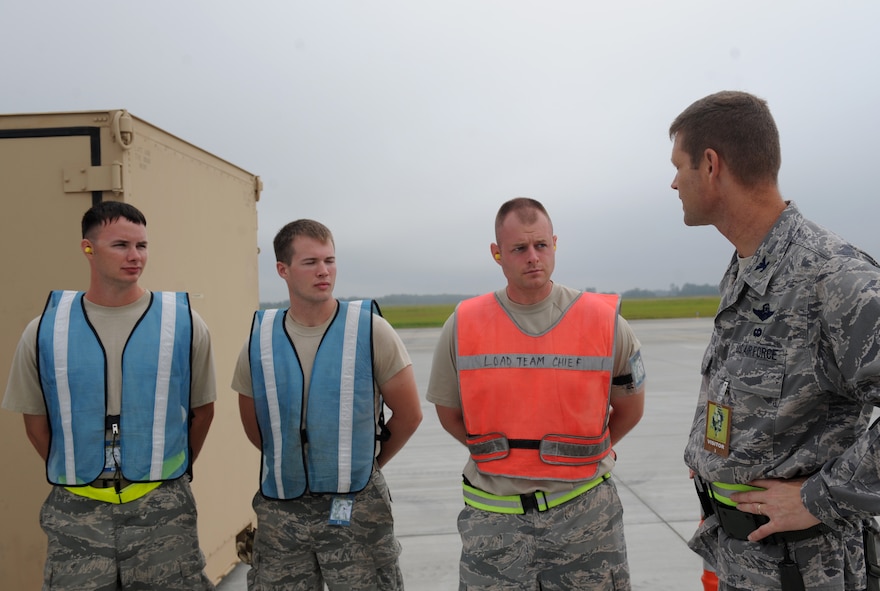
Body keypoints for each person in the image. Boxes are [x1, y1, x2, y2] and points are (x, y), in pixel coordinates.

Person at [670, 90, 880, 590]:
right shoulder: (748, 266)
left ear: (711, 164)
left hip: (805, 568)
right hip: (740, 554)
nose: (673, 182)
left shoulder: (834, 278)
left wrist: (817, 498)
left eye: (679, 166)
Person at [426, 197, 647, 590]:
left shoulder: (604, 322)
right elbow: (449, 414)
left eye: (541, 245)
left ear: (555, 244)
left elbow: (630, 408)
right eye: (519, 248)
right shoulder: (463, 324)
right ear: (497, 253)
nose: (533, 257)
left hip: (584, 516)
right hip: (494, 520)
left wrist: (584, 454)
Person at [2, 200, 217, 590]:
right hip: (75, 512)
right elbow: (36, 424)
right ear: (88, 248)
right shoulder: (46, 329)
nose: (135, 257)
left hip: (162, 506)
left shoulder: (182, 321)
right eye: (121, 245)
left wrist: (164, 473)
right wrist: (79, 466)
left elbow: (203, 412)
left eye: (142, 246)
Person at [233, 219, 423, 591]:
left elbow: (410, 415)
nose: (324, 271)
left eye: (329, 260)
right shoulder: (260, 339)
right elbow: (256, 426)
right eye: (310, 262)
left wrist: (365, 463)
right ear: (282, 270)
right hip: (282, 511)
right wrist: (297, 461)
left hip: (357, 509)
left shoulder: (370, 330)